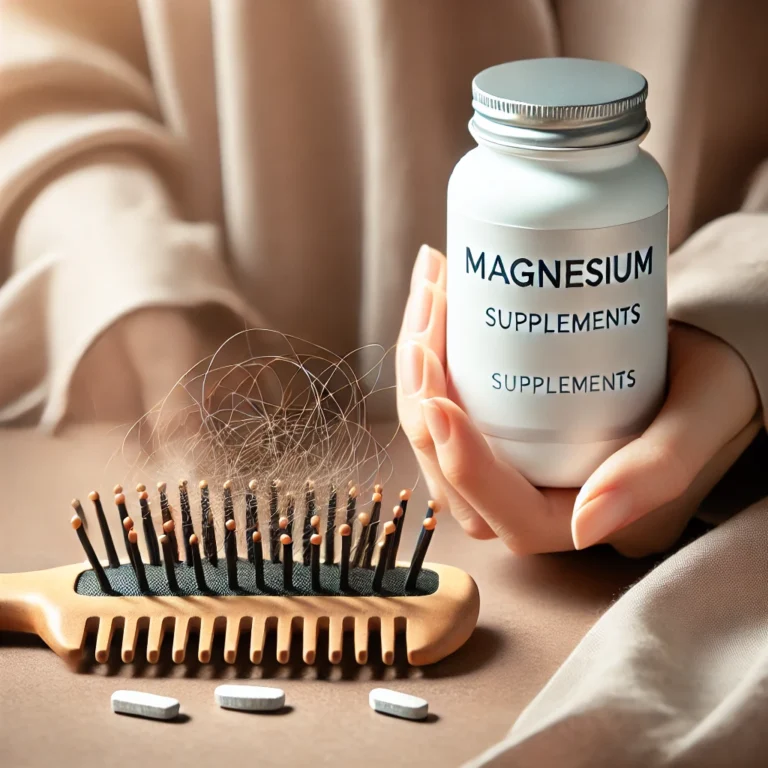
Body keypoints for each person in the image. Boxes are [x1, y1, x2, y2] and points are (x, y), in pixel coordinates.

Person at [0, 0, 766, 558]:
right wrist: (121, 262)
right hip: (246, 431)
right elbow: (42, 30)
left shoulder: (631, 185)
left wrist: (743, 307)